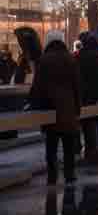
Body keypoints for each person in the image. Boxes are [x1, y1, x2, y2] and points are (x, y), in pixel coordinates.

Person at [29, 32, 81, 184]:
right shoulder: (71, 59)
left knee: (51, 145)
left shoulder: (44, 60)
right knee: (68, 145)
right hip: (68, 108)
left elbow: (38, 85)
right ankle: (70, 174)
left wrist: (35, 104)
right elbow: (77, 85)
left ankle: (52, 175)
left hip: (50, 107)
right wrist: (77, 106)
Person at [77, 33, 98, 164]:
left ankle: (91, 152)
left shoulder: (82, 56)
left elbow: (78, 77)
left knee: (87, 124)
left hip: (85, 95)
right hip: (97, 94)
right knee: (95, 122)